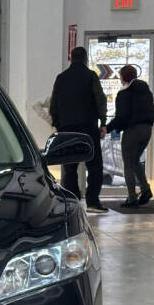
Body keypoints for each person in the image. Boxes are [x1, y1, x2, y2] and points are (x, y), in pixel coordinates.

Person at [49, 46, 109, 214]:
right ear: (85, 59)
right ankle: (92, 202)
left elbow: (54, 105)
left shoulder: (61, 78)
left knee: (69, 167)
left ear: (71, 58)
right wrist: (103, 123)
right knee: (95, 166)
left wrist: (58, 125)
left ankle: (72, 202)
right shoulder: (90, 76)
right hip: (88, 128)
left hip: (67, 129)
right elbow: (100, 100)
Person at [106, 65, 154, 207]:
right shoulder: (146, 91)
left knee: (128, 163)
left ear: (123, 77)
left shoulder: (124, 94)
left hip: (132, 131)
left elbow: (121, 118)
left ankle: (132, 197)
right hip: (147, 129)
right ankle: (145, 189)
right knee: (135, 161)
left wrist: (107, 129)